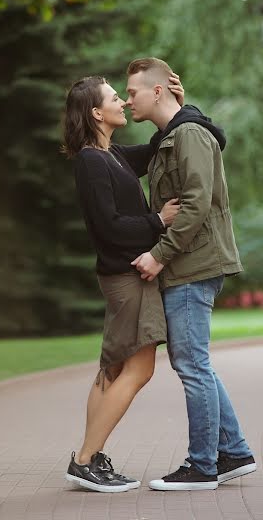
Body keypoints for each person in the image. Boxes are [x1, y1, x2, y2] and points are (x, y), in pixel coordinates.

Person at [127, 57, 256, 491]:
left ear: (158, 91)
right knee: (194, 361)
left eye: (133, 93)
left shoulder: (190, 135)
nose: (128, 102)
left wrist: (159, 255)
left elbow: (196, 204)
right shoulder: (175, 134)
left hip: (190, 265)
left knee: (192, 365)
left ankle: (202, 466)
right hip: (188, 264)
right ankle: (233, 452)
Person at [62, 73, 183, 493]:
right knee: (140, 367)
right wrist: (158, 221)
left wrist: (172, 104)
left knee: (112, 369)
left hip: (120, 275)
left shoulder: (109, 154)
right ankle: (83, 460)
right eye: (116, 97)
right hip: (125, 277)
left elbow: (154, 150)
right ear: (97, 112)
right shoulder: (92, 161)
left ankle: (89, 456)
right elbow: (108, 227)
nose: (123, 102)